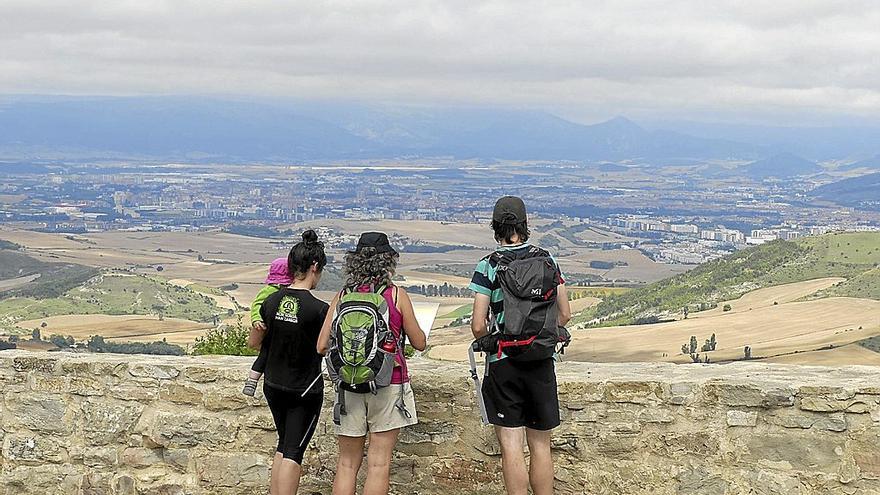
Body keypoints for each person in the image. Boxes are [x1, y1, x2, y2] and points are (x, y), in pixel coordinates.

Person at [468, 196, 571, 495]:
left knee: (512, 446)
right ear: (524, 225)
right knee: (541, 445)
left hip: (503, 364)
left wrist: (495, 336)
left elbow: (478, 324)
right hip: (541, 361)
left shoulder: (489, 265)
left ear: (495, 227)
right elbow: (565, 314)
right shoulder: (547, 260)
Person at [317, 232, 427, 495]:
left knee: (346, 464)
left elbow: (321, 346)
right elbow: (419, 343)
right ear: (388, 261)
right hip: (389, 383)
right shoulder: (396, 295)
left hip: (349, 384)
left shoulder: (343, 296)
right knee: (378, 464)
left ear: (355, 262)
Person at [251, 230, 329, 495]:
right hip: (304, 389)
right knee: (294, 453)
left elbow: (254, 342)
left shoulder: (271, 300)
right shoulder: (319, 309)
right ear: (314, 267)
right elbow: (324, 347)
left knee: (283, 444)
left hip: (273, 384)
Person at [243, 257, 292, 396]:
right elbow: (257, 305)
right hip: (267, 329)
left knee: (266, 355)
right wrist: (256, 319)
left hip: (277, 330)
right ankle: (252, 381)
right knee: (264, 355)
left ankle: (252, 380)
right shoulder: (269, 290)